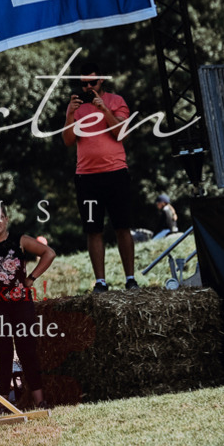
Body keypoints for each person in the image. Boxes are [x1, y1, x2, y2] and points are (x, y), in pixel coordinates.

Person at [63, 63, 138, 293]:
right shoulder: (77, 108)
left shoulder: (116, 101)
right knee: (93, 229)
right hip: (87, 178)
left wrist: (104, 109)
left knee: (122, 226)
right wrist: (68, 115)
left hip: (115, 173)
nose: (87, 87)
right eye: (83, 83)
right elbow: (67, 141)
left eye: (92, 83)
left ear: (101, 81)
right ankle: (101, 281)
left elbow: (121, 133)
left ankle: (130, 278)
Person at [0, 200, 56, 411]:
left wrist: (31, 278)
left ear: (7, 219)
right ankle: (3, 403)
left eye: (0, 217)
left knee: (27, 351)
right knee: (2, 354)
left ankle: (40, 400)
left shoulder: (19, 240)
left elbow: (49, 253)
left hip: (21, 303)